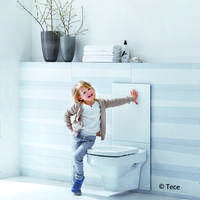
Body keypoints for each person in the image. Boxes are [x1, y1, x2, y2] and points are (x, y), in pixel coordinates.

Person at [64, 80, 138, 195]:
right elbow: (67, 114)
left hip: (89, 139)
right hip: (77, 137)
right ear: (80, 97)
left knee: (76, 157)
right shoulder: (79, 106)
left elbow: (115, 102)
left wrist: (130, 99)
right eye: (84, 92)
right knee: (75, 161)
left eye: (89, 89)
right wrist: (71, 128)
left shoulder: (101, 103)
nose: (88, 92)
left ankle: (79, 179)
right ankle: (77, 187)